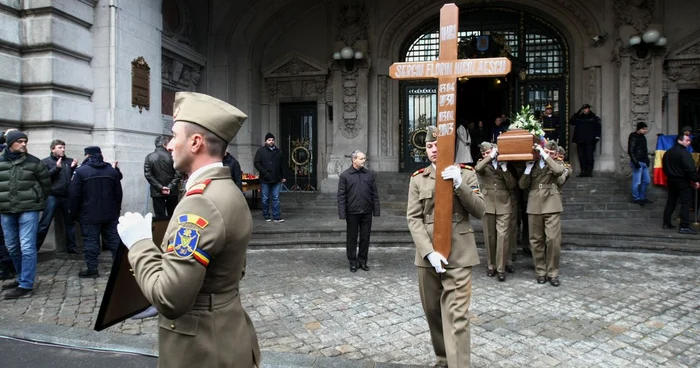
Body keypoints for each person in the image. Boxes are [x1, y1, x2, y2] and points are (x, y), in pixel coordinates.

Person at [116, 92, 260, 367]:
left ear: (195, 142)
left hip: (202, 347)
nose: (169, 145)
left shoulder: (201, 202)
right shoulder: (226, 189)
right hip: (227, 332)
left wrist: (139, 243)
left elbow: (171, 299)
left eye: (173, 136)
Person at [406, 125, 485, 368]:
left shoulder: (467, 174)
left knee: (457, 316)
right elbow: (413, 218)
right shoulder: (418, 178)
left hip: (459, 253)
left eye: (438, 145)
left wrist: (459, 184)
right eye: (429, 146)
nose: (433, 150)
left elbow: (480, 210)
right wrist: (428, 252)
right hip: (428, 256)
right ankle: (443, 360)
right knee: (434, 314)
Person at [0, 130, 51, 299]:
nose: (23, 144)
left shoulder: (34, 162)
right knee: (12, 247)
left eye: (25, 141)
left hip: (29, 209)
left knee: (27, 247)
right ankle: (22, 277)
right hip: (6, 210)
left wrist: (37, 201)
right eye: (19, 141)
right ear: (10, 143)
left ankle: (26, 285)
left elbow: (46, 185)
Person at [69, 146, 123, 278]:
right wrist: (116, 210)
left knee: (91, 241)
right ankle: (120, 267)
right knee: (114, 240)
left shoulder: (81, 171)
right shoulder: (111, 171)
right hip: (110, 212)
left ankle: (92, 269)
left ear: (87, 155)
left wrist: (73, 213)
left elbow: (74, 195)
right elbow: (118, 193)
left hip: (89, 213)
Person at [519, 142, 565, 287]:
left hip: (551, 203)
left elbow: (558, 172)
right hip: (534, 203)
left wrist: (546, 156)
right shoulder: (533, 163)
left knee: (553, 240)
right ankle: (541, 271)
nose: (548, 154)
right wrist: (527, 169)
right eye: (546, 151)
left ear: (555, 154)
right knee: (535, 240)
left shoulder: (556, 163)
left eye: (552, 153)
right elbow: (522, 185)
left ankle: (553, 272)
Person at [475, 142, 515, 281]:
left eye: (489, 152)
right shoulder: (482, 163)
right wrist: (490, 157)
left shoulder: (504, 163)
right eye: (484, 153)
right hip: (488, 203)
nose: (486, 155)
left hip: (504, 203)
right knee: (490, 236)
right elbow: (478, 168)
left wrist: (504, 169)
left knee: (503, 236)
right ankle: (491, 265)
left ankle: (501, 268)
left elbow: (512, 184)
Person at [337, 150, 380, 273]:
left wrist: (376, 210)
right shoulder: (345, 176)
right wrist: (342, 213)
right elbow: (341, 196)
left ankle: (362, 261)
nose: (363, 161)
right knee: (352, 238)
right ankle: (353, 262)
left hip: (366, 211)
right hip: (352, 212)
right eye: (361, 159)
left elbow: (374, 194)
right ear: (354, 159)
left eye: (364, 158)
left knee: (365, 238)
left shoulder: (369, 175)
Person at [36, 140, 79, 253]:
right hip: (52, 196)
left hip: (66, 196)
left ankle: (72, 248)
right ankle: (34, 248)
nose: (63, 149)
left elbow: (72, 178)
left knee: (70, 223)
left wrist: (73, 168)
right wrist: (56, 168)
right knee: (45, 223)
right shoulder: (45, 162)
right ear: (52, 149)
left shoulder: (69, 161)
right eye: (60, 147)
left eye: (64, 147)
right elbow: (44, 178)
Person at [662, 134, 700, 234]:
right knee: (686, 202)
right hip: (683, 181)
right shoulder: (685, 153)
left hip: (671, 180)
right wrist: (696, 180)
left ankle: (666, 222)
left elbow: (665, 168)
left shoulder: (668, 153)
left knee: (671, 201)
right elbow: (690, 169)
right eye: (687, 140)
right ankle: (684, 226)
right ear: (680, 141)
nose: (689, 142)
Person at [144, 135, 182, 218]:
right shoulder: (173, 156)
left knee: (159, 217)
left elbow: (148, 175)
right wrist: (170, 187)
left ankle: (161, 231)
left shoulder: (149, 157)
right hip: (172, 192)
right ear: (165, 144)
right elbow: (179, 173)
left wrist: (160, 188)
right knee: (172, 216)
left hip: (156, 192)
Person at [254, 132, 288, 222]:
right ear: (265, 141)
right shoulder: (261, 151)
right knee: (265, 198)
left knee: (276, 198)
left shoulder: (278, 151)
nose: (271, 141)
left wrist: (283, 176)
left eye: (272, 140)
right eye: (269, 140)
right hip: (265, 179)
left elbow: (282, 165)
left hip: (276, 178)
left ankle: (276, 216)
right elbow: (257, 163)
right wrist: (264, 172)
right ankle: (266, 215)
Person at [569, 104, 601, 177]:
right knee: (581, 157)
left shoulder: (593, 117)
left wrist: (596, 138)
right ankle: (583, 171)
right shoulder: (579, 117)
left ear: (589, 109)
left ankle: (589, 172)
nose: (584, 110)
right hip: (580, 141)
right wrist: (578, 112)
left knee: (589, 157)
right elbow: (571, 121)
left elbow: (598, 128)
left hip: (590, 141)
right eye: (583, 109)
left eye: (586, 108)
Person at [628, 122, 651, 206]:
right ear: (639, 129)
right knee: (636, 181)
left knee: (647, 180)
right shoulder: (633, 136)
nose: (645, 130)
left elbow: (645, 150)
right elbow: (631, 150)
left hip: (643, 161)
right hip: (637, 161)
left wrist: (647, 160)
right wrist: (635, 162)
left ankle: (642, 197)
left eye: (645, 129)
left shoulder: (643, 138)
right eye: (643, 129)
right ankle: (636, 197)